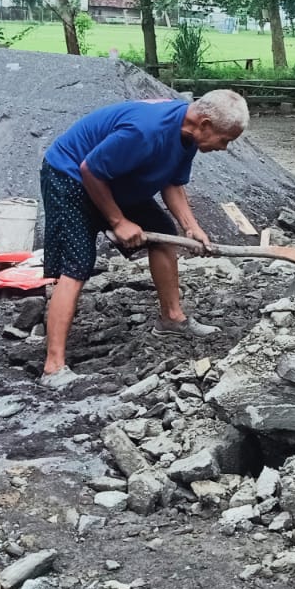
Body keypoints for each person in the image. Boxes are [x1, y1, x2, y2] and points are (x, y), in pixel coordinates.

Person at [37, 90, 249, 385]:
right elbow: (91, 170)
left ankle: (171, 319)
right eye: (225, 139)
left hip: (114, 180)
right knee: (77, 265)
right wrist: (118, 220)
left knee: (163, 235)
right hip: (71, 176)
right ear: (204, 123)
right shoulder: (145, 131)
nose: (224, 147)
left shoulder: (187, 135)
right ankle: (53, 367)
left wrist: (191, 227)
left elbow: (173, 183)